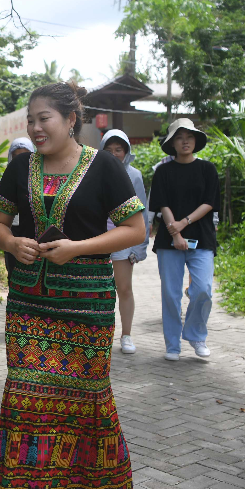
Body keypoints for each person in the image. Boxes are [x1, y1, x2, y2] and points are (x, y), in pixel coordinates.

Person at [0, 82, 146, 489]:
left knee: (82, 402)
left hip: (87, 305)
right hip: (30, 304)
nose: (35, 128)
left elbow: (135, 229)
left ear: (71, 119)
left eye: (45, 119)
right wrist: (12, 242)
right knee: (30, 403)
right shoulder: (20, 167)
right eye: (30, 120)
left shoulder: (104, 166)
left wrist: (78, 248)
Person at [148, 119, 219, 361]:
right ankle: (172, 345)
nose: (185, 141)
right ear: (172, 143)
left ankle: (196, 335)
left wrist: (184, 223)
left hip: (202, 237)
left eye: (189, 137)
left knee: (203, 289)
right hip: (169, 241)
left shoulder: (207, 169)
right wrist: (175, 233)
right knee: (171, 293)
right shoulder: (163, 171)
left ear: (196, 140)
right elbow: (162, 204)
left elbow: (209, 203)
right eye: (179, 137)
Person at [98, 129, 150, 354]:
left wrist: (139, 247)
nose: (114, 154)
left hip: (124, 239)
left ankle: (126, 335)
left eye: (118, 150)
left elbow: (143, 212)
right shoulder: (93, 172)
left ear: (126, 152)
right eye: (109, 150)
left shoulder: (134, 175)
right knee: (98, 289)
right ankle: (99, 334)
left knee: (124, 288)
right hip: (97, 238)